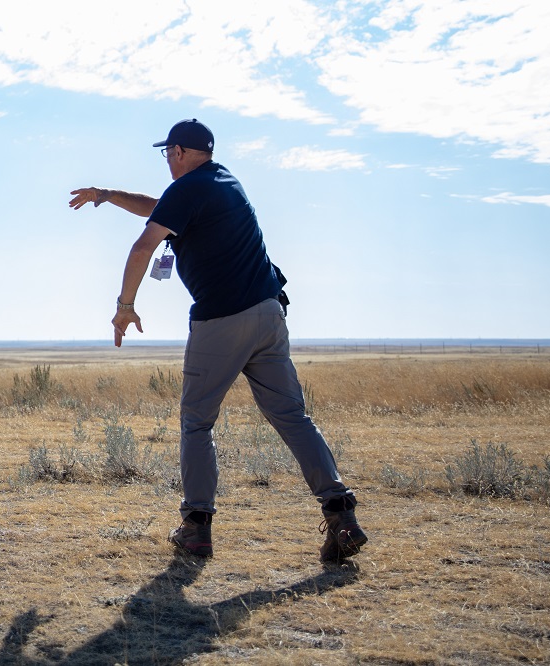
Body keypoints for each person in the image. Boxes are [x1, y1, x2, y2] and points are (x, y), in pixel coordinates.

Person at [68, 119, 367, 562]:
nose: (167, 160)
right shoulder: (223, 181)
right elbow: (160, 207)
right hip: (268, 314)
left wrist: (125, 305)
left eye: (167, 153)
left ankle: (196, 527)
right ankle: (341, 514)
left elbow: (142, 247)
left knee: (197, 422)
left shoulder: (187, 189)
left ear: (180, 152)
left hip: (223, 320)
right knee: (292, 417)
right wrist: (108, 195)